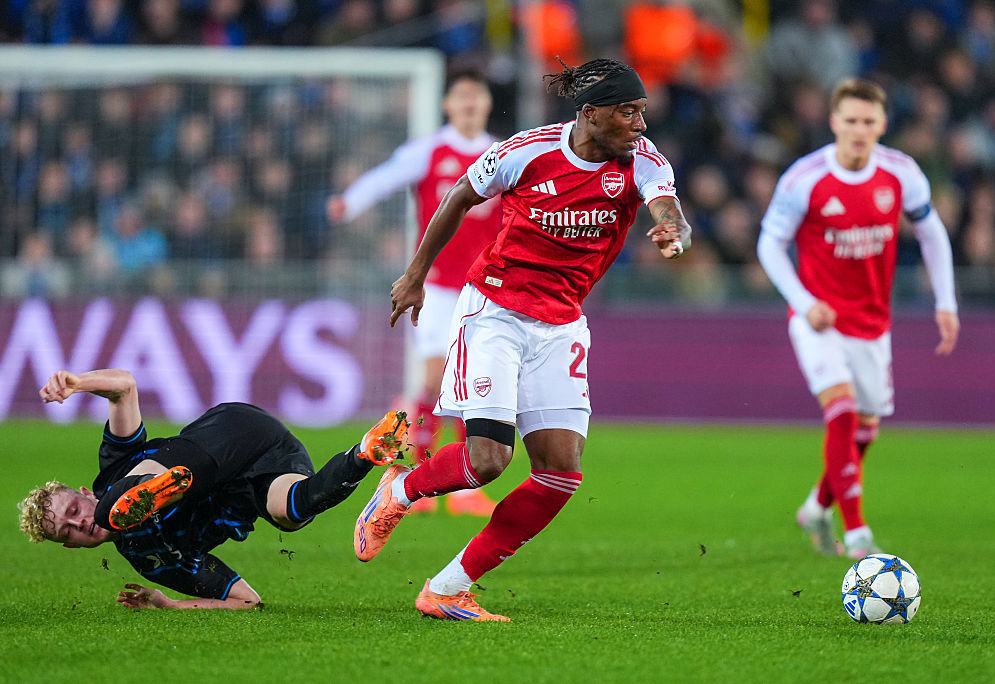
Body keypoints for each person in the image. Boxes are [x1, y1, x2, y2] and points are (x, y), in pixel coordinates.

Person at [354, 57, 692, 621]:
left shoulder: (642, 163)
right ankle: (401, 491)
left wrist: (671, 226)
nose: (639, 124)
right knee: (489, 460)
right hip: (494, 312)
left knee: (560, 473)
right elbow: (460, 195)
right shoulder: (527, 150)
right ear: (591, 113)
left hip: (561, 324)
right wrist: (415, 275)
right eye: (628, 112)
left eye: (642, 112)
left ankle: (445, 589)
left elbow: (666, 202)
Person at [757, 78, 959, 559]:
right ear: (834, 122)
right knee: (843, 412)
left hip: (871, 321)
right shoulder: (803, 178)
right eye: (850, 120)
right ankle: (858, 532)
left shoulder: (902, 173)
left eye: (869, 122)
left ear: (882, 124)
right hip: (818, 319)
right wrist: (805, 303)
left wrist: (945, 302)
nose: (859, 130)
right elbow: (769, 244)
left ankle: (816, 506)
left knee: (864, 430)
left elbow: (932, 233)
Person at [18, 368, 410, 610]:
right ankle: (365, 452)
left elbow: (124, 386)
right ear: (71, 547)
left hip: (230, 433)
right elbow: (247, 601)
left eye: (73, 511)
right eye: (67, 532)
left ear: (85, 492)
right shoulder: (151, 559)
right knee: (291, 513)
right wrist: (171, 603)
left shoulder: (110, 473)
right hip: (264, 464)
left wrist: (78, 382)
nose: (79, 525)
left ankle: (163, 484)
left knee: (112, 507)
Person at [326, 69, 501, 517]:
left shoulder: (501, 153)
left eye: (476, 97)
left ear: (484, 105)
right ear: (448, 105)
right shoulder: (430, 151)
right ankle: (417, 478)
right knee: (434, 378)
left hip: (485, 287)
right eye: (460, 97)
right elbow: (387, 176)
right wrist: (351, 201)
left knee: (475, 383)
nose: (468, 104)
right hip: (438, 287)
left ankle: (464, 490)